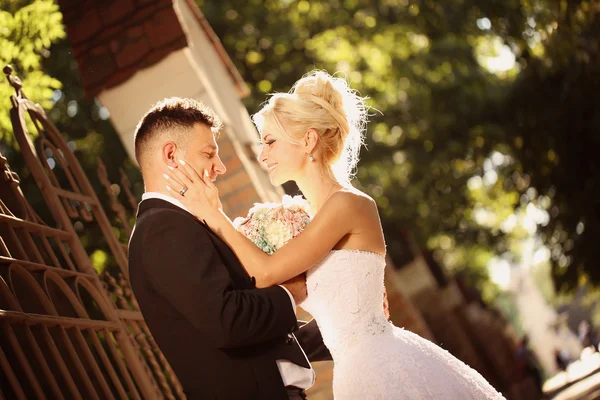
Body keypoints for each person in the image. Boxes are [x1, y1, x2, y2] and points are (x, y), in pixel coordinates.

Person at [164, 71, 505, 399]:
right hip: (352, 373)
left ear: (308, 140)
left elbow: (266, 271)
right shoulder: (309, 221)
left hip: (382, 367)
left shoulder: (349, 205)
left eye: (270, 141)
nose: (263, 154)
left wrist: (214, 214)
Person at [128, 98, 332, 400]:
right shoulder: (162, 229)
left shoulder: (180, 224)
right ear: (171, 155)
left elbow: (247, 337)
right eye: (209, 154)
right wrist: (290, 293)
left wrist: (342, 326)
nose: (220, 167)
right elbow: (229, 323)